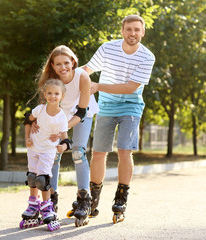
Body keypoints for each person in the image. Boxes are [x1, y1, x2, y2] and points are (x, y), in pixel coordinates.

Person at [82, 15, 155, 223]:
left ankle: (121, 198)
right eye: (129, 29)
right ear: (122, 31)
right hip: (106, 106)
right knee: (98, 152)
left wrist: (98, 87)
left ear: (143, 32)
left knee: (125, 150)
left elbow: (132, 87)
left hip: (131, 107)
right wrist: (64, 82)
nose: (133, 33)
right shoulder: (107, 48)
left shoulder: (147, 56)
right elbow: (86, 71)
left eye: (137, 30)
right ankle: (92, 200)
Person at [33, 45, 99, 227]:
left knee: (78, 151)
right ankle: (50, 200)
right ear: (52, 66)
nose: (63, 67)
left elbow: (81, 112)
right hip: (59, 114)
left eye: (66, 63)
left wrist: (62, 129)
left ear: (73, 62)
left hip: (81, 114)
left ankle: (84, 199)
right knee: (52, 152)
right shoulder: (50, 80)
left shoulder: (82, 77)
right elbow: (46, 109)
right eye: (58, 64)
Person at [20, 79, 71, 231]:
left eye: (56, 93)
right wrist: (27, 138)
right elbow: (27, 120)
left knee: (42, 179)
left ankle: (47, 207)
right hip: (34, 148)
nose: (52, 96)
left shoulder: (61, 116)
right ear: (44, 94)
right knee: (32, 178)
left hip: (48, 150)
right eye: (49, 93)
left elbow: (66, 138)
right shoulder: (40, 109)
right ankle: (33, 205)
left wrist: (63, 146)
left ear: (62, 96)